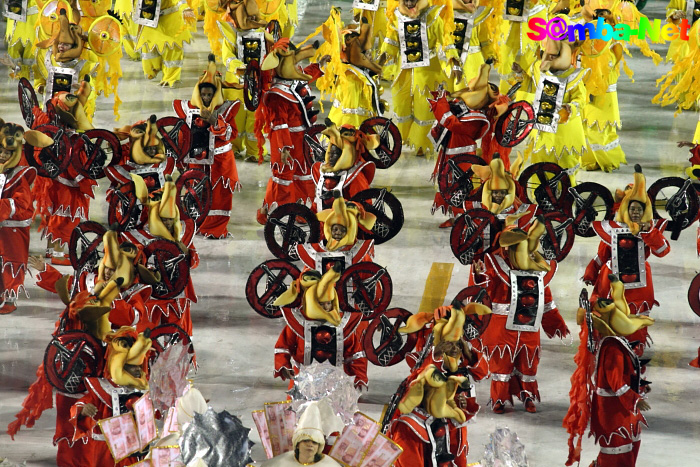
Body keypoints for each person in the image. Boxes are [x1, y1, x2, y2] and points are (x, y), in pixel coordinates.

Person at [472, 214, 569, 413]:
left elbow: (546, 299)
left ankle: (527, 395)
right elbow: (485, 291)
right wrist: (480, 276)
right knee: (501, 365)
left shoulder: (536, 268)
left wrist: (556, 322)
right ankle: (499, 398)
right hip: (502, 326)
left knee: (528, 365)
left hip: (529, 325)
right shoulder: (494, 263)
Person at [563, 276, 654, 467]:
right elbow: (616, 382)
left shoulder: (616, 343)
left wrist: (637, 387)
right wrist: (635, 399)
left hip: (621, 408)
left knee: (628, 447)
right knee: (616, 453)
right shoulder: (612, 347)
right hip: (613, 411)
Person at [388, 302, 490, 467]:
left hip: (454, 420)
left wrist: (467, 351)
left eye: (457, 344)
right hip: (424, 418)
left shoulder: (465, 349)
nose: (454, 348)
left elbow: (483, 373)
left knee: (457, 456)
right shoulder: (429, 350)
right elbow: (419, 374)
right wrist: (436, 354)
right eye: (450, 344)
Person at [583, 165, 670, 349]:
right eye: (633, 208)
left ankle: (634, 346)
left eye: (639, 209)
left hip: (639, 282)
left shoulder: (650, 229)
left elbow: (662, 251)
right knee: (609, 314)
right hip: (611, 278)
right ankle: (608, 345)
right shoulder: (613, 228)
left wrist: (649, 233)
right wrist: (591, 271)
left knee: (635, 316)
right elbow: (602, 254)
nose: (636, 212)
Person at [255, 38, 327, 223]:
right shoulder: (276, 95)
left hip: (303, 139)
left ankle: (302, 211)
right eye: (293, 61)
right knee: (285, 176)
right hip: (288, 142)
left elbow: (305, 75)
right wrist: (284, 148)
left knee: (304, 173)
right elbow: (279, 125)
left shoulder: (293, 80)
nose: (298, 66)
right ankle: (279, 211)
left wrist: (319, 66)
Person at [378, 0, 460, 157]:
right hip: (403, 72)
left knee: (425, 108)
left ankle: (422, 143)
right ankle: (403, 138)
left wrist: (455, 65)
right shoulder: (396, 16)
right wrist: (378, 64)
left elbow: (446, 42)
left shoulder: (434, 16)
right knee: (401, 108)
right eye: (406, 0)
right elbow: (390, 43)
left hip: (428, 73)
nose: (409, 3)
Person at [174, 54, 241, 238]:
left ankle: (216, 227)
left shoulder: (226, 109)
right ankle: (198, 222)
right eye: (203, 94)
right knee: (197, 191)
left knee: (220, 195)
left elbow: (231, 134)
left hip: (220, 163)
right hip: (197, 160)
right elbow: (182, 133)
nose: (205, 98)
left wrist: (215, 121)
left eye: (209, 94)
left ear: (215, 93)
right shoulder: (188, 108)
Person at [272, 264, 369, 390]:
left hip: (336, 381)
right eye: (321, 304)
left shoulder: (344, 324)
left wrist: (359, 376)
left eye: (328, 303)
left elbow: (355, 353)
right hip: (303, 379)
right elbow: (283, 346)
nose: (326, 307)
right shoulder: (297, 323)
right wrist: (284, 365)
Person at [69, 327, 152, 466]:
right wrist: (83, 410)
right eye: (133, 367)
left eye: (139, 366)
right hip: (106, 453)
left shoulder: (141, 389)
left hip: (134, 452)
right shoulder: (103, 389)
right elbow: (79, 405)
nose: (139, 370)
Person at [522, 25, 588, 185]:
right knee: (541, 162)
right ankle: (541, 196)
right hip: (542, 129)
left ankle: (566, 195)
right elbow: (528, 89)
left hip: (564, 131)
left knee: (566, 162)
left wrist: (570, 108)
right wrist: (520, 75)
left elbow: (581, 100)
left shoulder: (573, 77)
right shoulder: (538, 72)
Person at [0, 121, 49, 313]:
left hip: (13, 227)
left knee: (11, 261)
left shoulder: (20, 175)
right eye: (0, 151)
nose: (3, 155)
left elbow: (22, 204)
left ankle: (10, 299)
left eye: (7, 153)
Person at [134, 0, 195, 87]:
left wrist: (185, 8)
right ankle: (153, 69)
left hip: (170, 20)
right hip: (150, 21)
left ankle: (171, 77)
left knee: (172, 49)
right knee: (149, 47)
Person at [260, 402, 342, 466]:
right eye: (306, 441)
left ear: (319, 447)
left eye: (314, 442)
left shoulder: (330, 465)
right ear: (298, 444)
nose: (310, 445)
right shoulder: (279, 463)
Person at [4, 0, 39, 79]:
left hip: (32, 17)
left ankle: (29, 72)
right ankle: (16, 70)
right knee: (14, 45)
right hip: (14, 13)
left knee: (31, 45)